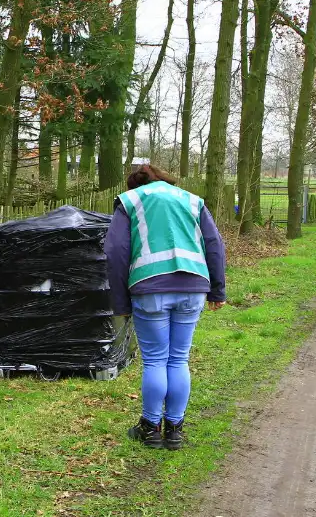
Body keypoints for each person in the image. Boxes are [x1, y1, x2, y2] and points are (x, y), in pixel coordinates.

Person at [105, 164, 227, 450]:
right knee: (179, 358)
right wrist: (217, 290)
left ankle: (150, 428)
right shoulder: (192, 200)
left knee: (156, 360)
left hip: (150, 289)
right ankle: (175, 430)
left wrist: (120, 302)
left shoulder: (131, 202)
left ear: (134, 184)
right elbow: (214, 244)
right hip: (194, 286)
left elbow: (116, 252)